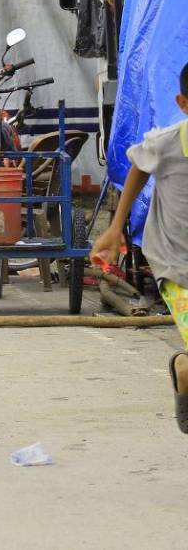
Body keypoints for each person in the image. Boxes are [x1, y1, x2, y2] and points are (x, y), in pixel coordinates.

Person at [91, 61, 188, 432]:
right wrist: (116, 228)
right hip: (176, 268)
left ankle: (183, 369)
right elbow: (137, 165)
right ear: (183, 103)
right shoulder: (168, 143)